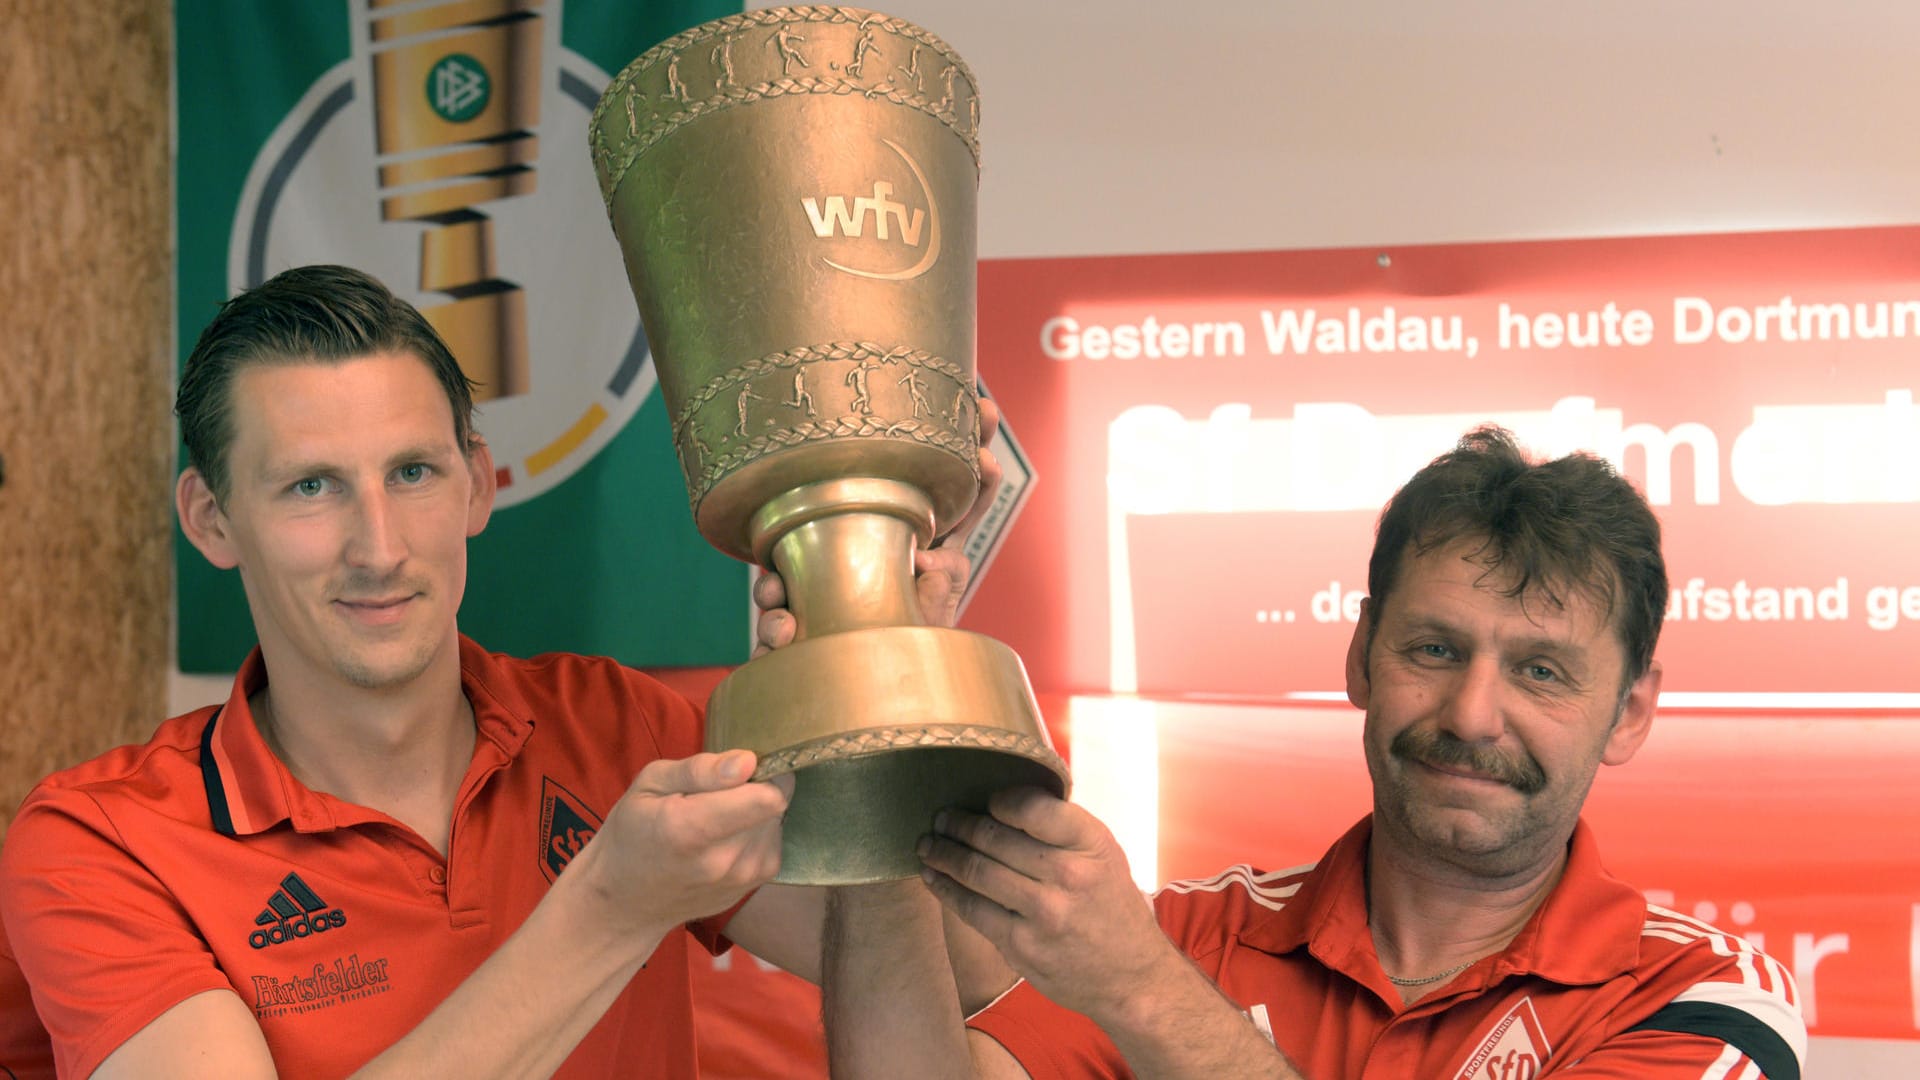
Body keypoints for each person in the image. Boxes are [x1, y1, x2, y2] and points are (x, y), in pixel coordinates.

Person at [0, 264, 982, 1078]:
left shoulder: (613, 727)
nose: (378, 546)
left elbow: (952, 999)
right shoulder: (100, 842)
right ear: (211, 519)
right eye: (312, 487)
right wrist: (607, 909)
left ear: (477, 483)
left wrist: (865, 712)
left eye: (413, 474)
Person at [834, 427, 1808, 1079]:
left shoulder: (1704, 1001)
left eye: (1542, 673)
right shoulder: (1191, 939)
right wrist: (873, 710)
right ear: (1361, 657)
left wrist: (1139, 994)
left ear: (1631, 712)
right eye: (1435, 649)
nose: (1473, 714)